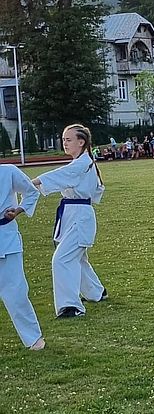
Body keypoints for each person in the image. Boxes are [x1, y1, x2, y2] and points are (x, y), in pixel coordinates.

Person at [32, 124, 107, 318]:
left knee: (62, 259)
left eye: (69, 140)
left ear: (81, 142)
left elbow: (61, 175)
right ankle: (96, 292)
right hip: (73, 214)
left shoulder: (82, 164)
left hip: (79, 216)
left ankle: (70, 306)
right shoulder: (82, 163)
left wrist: (31, 183)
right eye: (63, 139)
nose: (64, 143)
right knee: (77, 258)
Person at [0, 165, 45, 350]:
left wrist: (18, 210)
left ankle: (33, 338)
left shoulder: (8, 171)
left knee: (15, 290)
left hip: (5, 236)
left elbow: (31, 192)